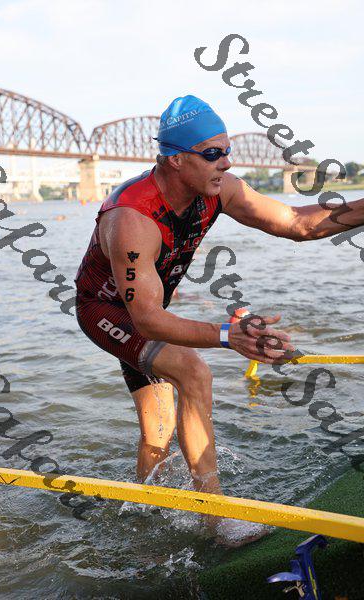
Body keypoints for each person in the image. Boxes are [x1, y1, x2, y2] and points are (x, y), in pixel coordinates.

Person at [74, 95, 361, 541]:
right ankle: (216, 519)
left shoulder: (220, 188)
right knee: (193, 371)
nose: (226, 163)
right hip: (106, 311)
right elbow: (147, 320)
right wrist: (230, 335)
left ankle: (141, 516)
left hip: (147, 311)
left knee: (157, 433)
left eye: (227, 151)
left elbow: (298, 223)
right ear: (174, 160)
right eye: (212, 154)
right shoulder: (132, 218)